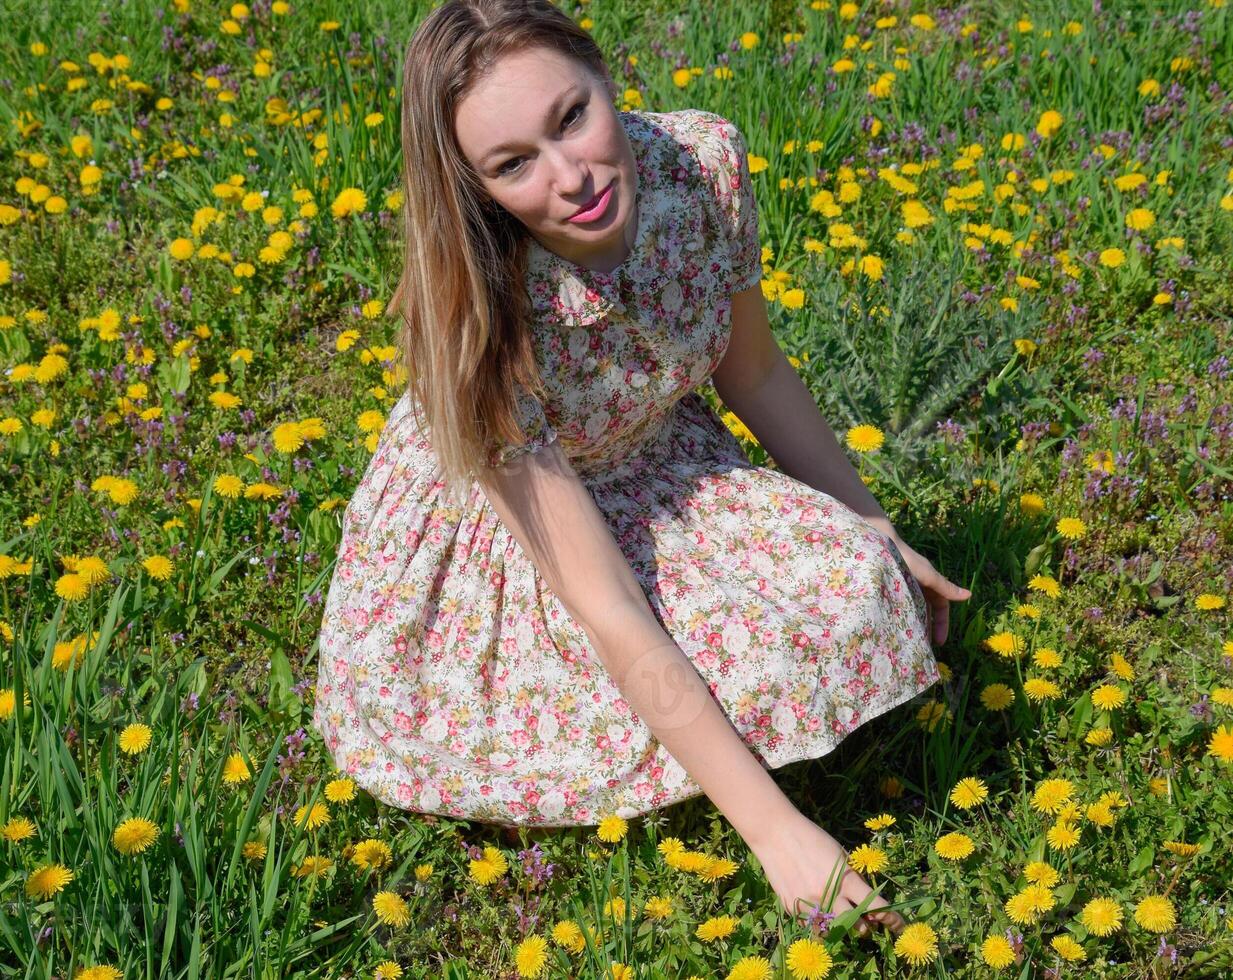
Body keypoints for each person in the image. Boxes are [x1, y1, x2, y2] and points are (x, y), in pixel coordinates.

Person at [311, 0, 972, 935]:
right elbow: (606, 605)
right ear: (473, 188)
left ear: (604, 75)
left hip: (662, 459)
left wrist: (872, 526)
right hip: (517, 538)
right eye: (512, 165)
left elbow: (753, 371)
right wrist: (779, 835)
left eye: (571, 116)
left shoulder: (699, 167)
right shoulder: (482, 323)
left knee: (859, 583)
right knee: (668, 690)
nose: (571, 176)